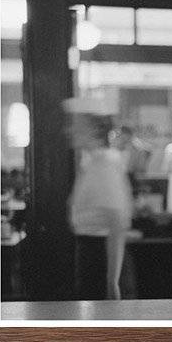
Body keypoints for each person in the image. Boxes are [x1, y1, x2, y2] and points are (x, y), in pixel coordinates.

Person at [69, 113, 132, 300]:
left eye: (76, 126)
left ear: (93, 131)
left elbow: (117, 222)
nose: (70, 130)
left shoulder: (105, 164)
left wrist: (112, 281)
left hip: (103, 257)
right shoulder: (92, 162)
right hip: (91, 254)